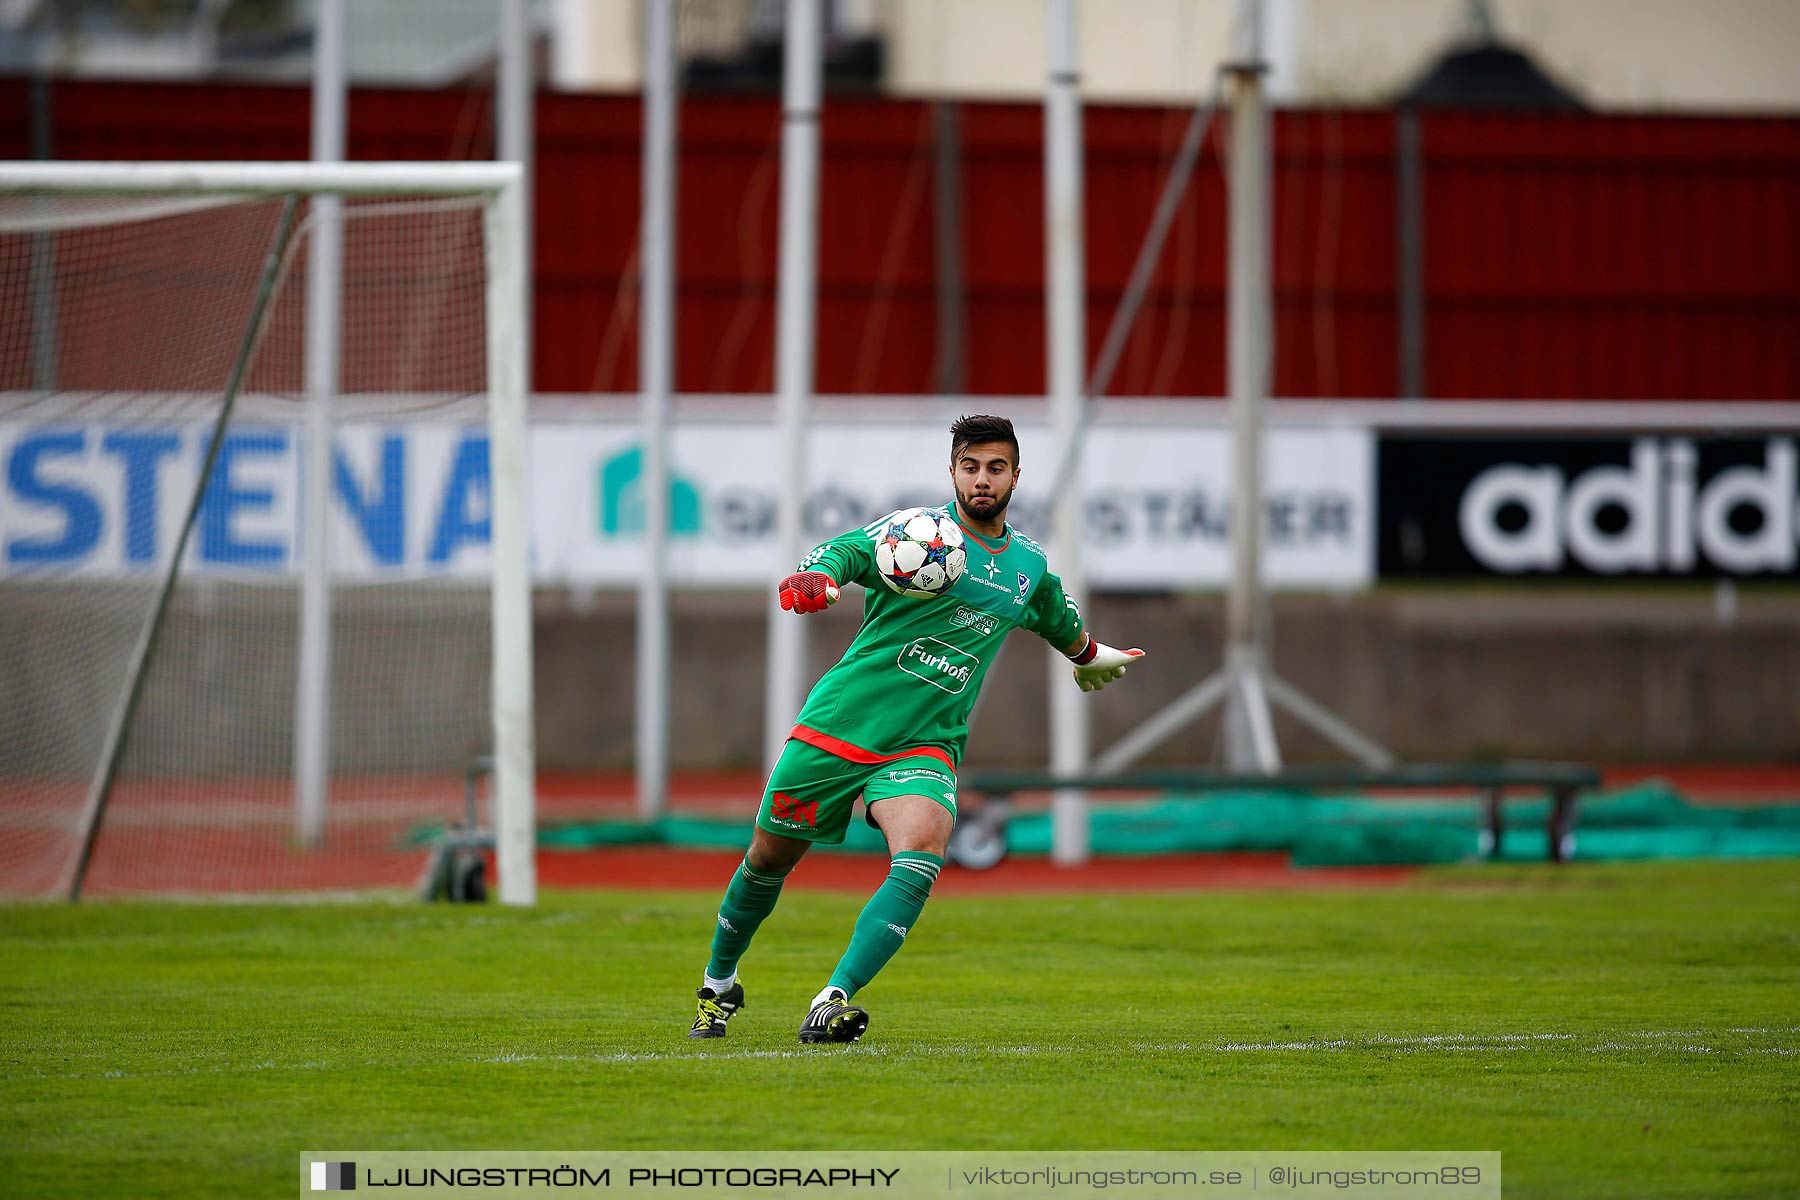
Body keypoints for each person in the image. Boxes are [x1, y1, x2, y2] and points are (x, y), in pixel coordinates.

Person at [688, 414, 1146, 1044]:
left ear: (1016, 476)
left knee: (924, 846)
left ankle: (832, 998)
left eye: (996, 468)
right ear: (953, 470)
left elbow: (1055, 616)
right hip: (840, 724)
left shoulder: (1026, 567)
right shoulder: (918, 533)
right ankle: (719, 984)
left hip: (926, 743)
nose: (982, 480)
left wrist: (1091, 655)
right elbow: (846, 551)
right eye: (970, 466)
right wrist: (818, 575)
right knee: (767, 861)